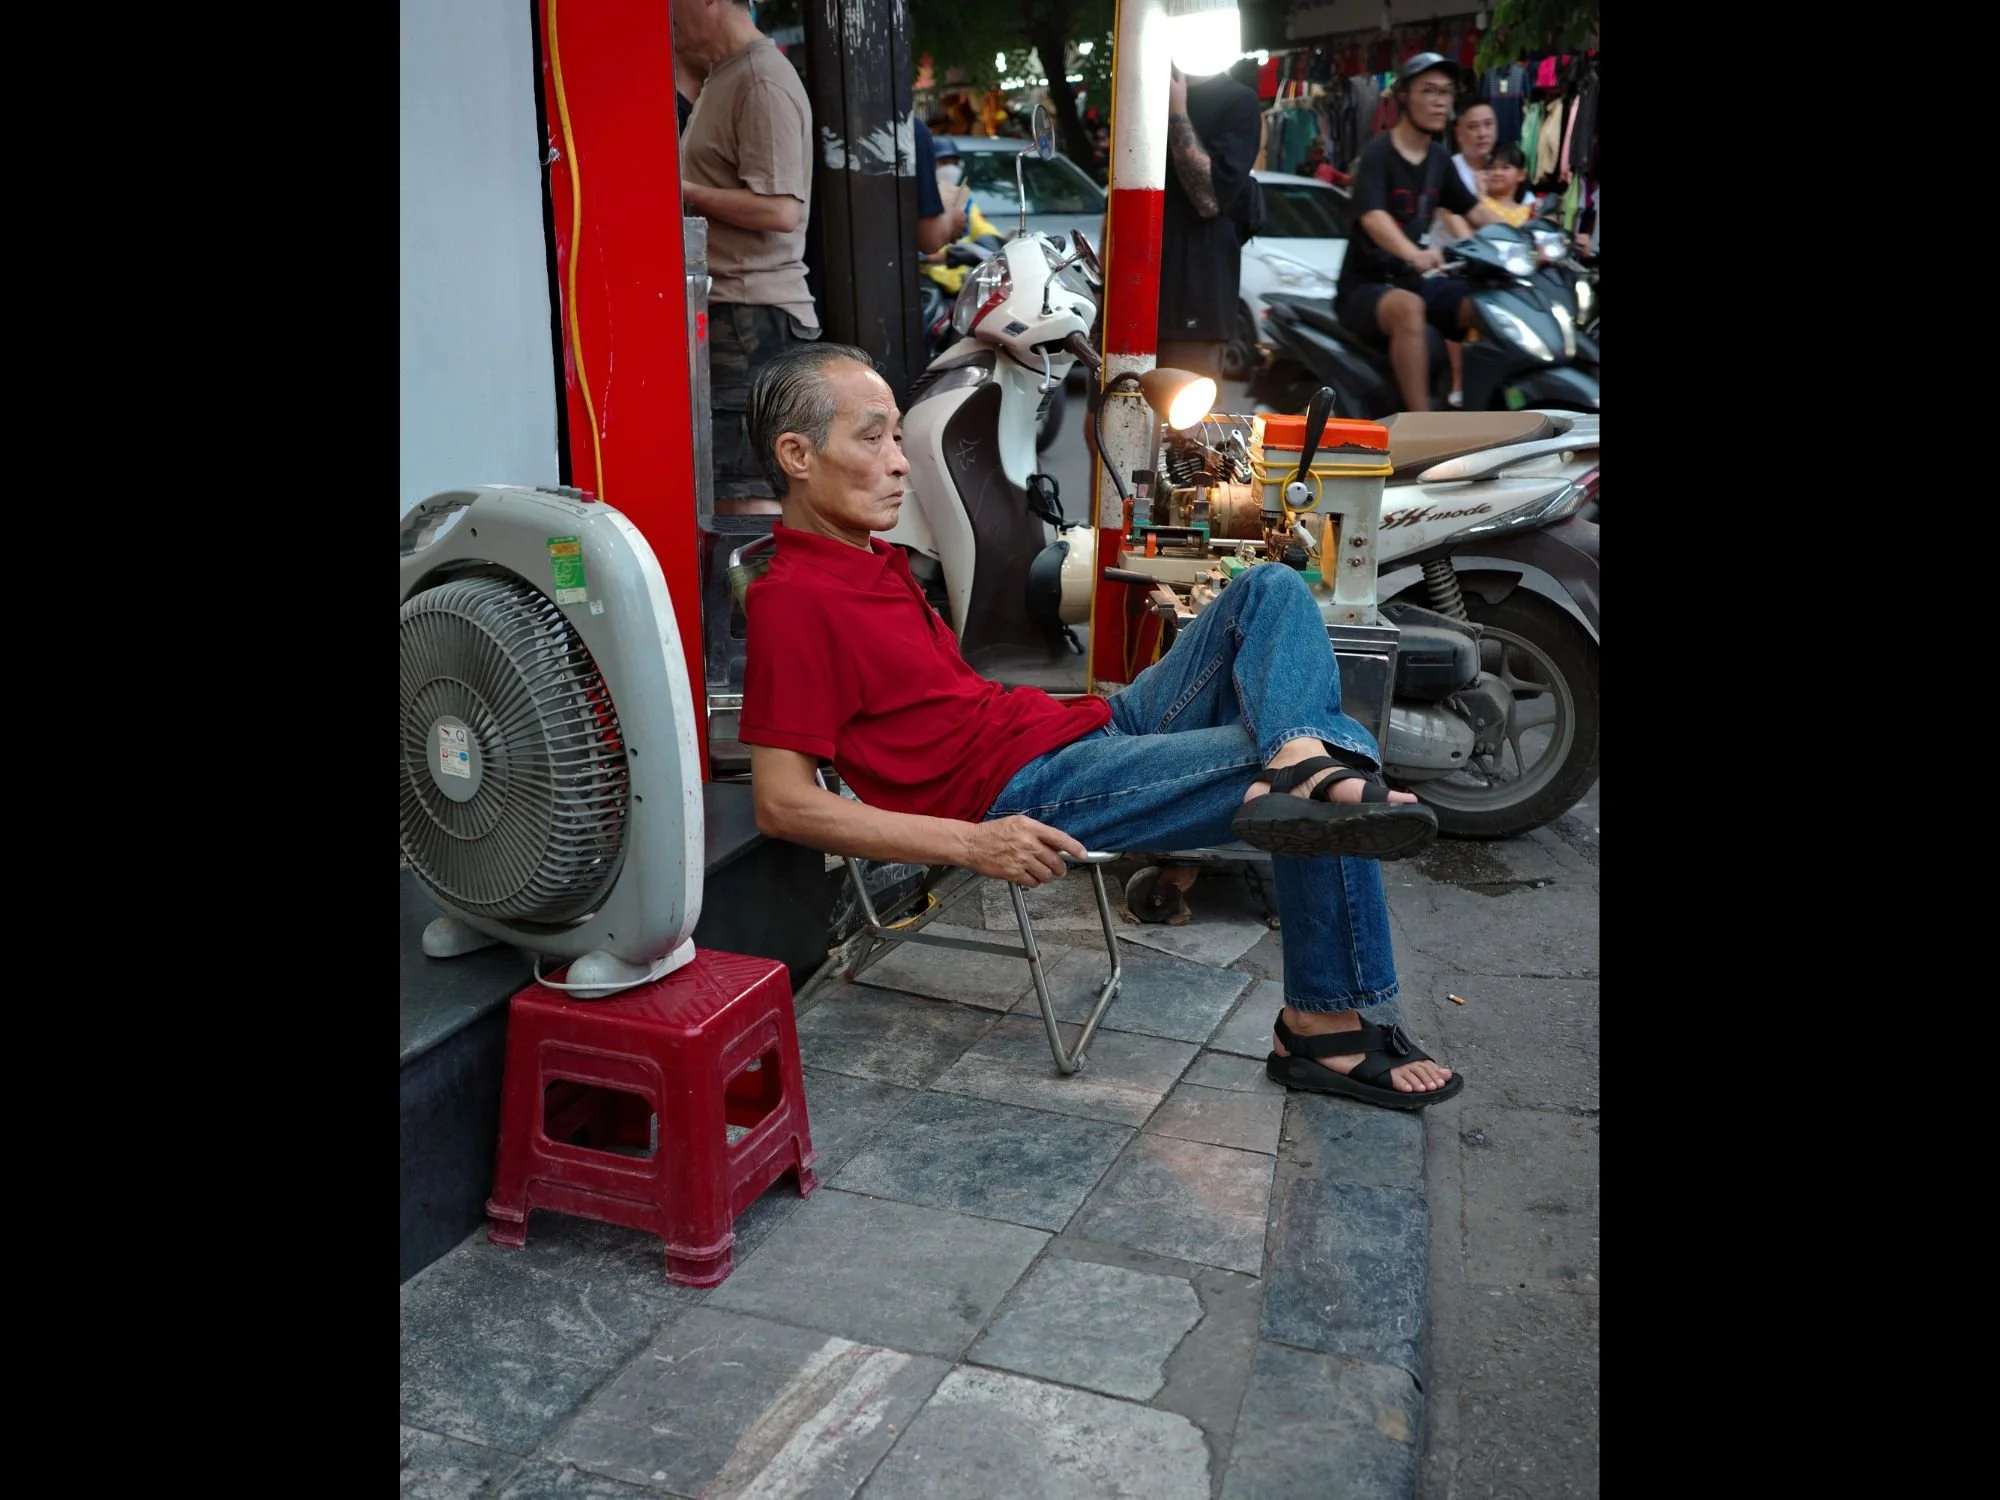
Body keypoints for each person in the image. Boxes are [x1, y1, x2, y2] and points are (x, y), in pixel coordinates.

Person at [738, 343, 1464, 1110]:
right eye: (874, 438)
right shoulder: (794, 600)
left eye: (896, 439)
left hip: (1072, 730)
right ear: (798, 455)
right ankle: (1320, 1022)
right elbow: (782, 805)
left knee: (1272, 589)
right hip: (1025, 788)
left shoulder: (871, 558)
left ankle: (1299, 753)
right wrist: (975, 843)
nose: (901, 463)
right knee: (1335, 785)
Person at [673, 0, 820, 512]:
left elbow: (781, 209)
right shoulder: (724, 75)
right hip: (734, 312)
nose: (668, 16)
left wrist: (678, 190)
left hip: (753, 316)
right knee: (731, 491)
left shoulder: (761, 79)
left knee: (748, 496)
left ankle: (759, 596)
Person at [1334, 52, 1503, 413]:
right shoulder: (1378, 153)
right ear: (1404, 97)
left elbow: (1474, 210)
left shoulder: (1439, 159)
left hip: (1416, 279)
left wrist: (1525, 238)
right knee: (1409, 308)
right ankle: (1420, 422)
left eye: (1446, 91)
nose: (1440, 100)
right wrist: (1413, 254)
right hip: (1366, 286)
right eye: (1428, 90)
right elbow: (1373, 217)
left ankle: (1481, 406)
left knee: (1487, 305)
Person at [1158, 60, 1264, 382]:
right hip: (1129, 297)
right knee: (1106, 426)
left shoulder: (1237, 101)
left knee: (1185, 428)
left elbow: (1208, 199)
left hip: (1193, 302)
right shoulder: (1140, 91)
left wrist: (1177, 112)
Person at [1478, 142, 1540, 226]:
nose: (1497, 173)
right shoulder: (1478, 203)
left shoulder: (1530, 213)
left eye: (1505, 167)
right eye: (1492, 168)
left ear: (1521, 175)